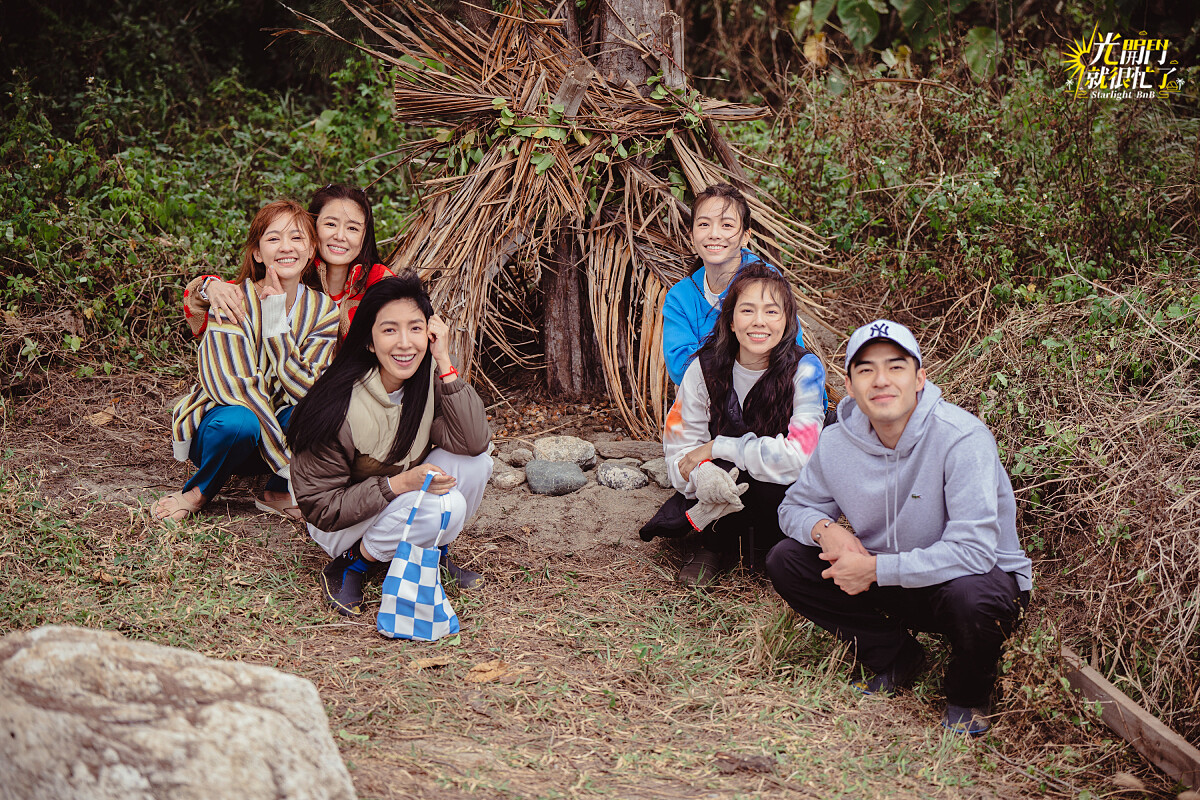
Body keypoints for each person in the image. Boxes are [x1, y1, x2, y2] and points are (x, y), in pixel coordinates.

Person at [766, 319, 1033, 736]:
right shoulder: (837, 443)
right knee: (787, 560)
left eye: (895, 367)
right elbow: (795, 506)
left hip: (966, 584)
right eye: (866, 369)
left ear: (920, 378)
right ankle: (894, 656)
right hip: (893, 580)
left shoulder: (962, 438)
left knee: (973, 594)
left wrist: (873, 571)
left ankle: (968, 694)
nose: (881, 381)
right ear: (850, 387)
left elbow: (975, 552)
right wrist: (825, 529)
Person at [287, 274, 493, 617]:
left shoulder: (425, 382)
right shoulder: (338, 403)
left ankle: (434, 554)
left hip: (396, 502)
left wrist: (444, 361)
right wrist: (399, 484)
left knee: (478, 463)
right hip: (341, 525)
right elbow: (321, 508)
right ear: (368, 341)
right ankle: (351, 565)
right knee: (446, 505)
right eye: (389, 330)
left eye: (415, 329)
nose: (404, 343)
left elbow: (472, 442)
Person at [640, 262, 826, 586]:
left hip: (781, 492)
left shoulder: (805, 370)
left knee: (762, 469)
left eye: (772, 312)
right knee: (722, 469)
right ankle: (712, 545)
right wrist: (702, 475)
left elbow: (800, 457)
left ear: (787, 321)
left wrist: (720, 445)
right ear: (730, 319)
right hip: (726, 490)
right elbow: (680, 450)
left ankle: (778, 548)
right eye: (747, 310)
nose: (759, 322)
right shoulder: (703, 368)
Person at [154, 199, 340, 522]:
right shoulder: (231, 300)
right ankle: (198, 492)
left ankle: (276, 490)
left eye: (297, 238)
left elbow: (309, 390)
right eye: (273, 238)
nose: (286, 247)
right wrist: (284, 457)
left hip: (275, 433)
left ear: (312, 250)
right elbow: (233, 386)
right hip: (225, 433)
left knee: (326, 408)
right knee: (240, 421)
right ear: (257, 252)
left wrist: (276, 324)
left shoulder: (324, 311)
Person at [184, 184, 394, 339]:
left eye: (353, 228)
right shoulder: (293, 271)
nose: (340, 235)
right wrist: (210, 285)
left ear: (365, 235)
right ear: (312, 229)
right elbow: (229, 298)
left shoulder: (378, 281)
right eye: (330, 224)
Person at [661, 183, 804, 386]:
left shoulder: (767, 281)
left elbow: (790, 353)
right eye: (704, 224)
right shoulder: (680, 297)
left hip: (775, 398)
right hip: (710, 406)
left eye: (727, 225)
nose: (714, 234)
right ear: (691, 235)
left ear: (745, 236)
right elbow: (680, 369)